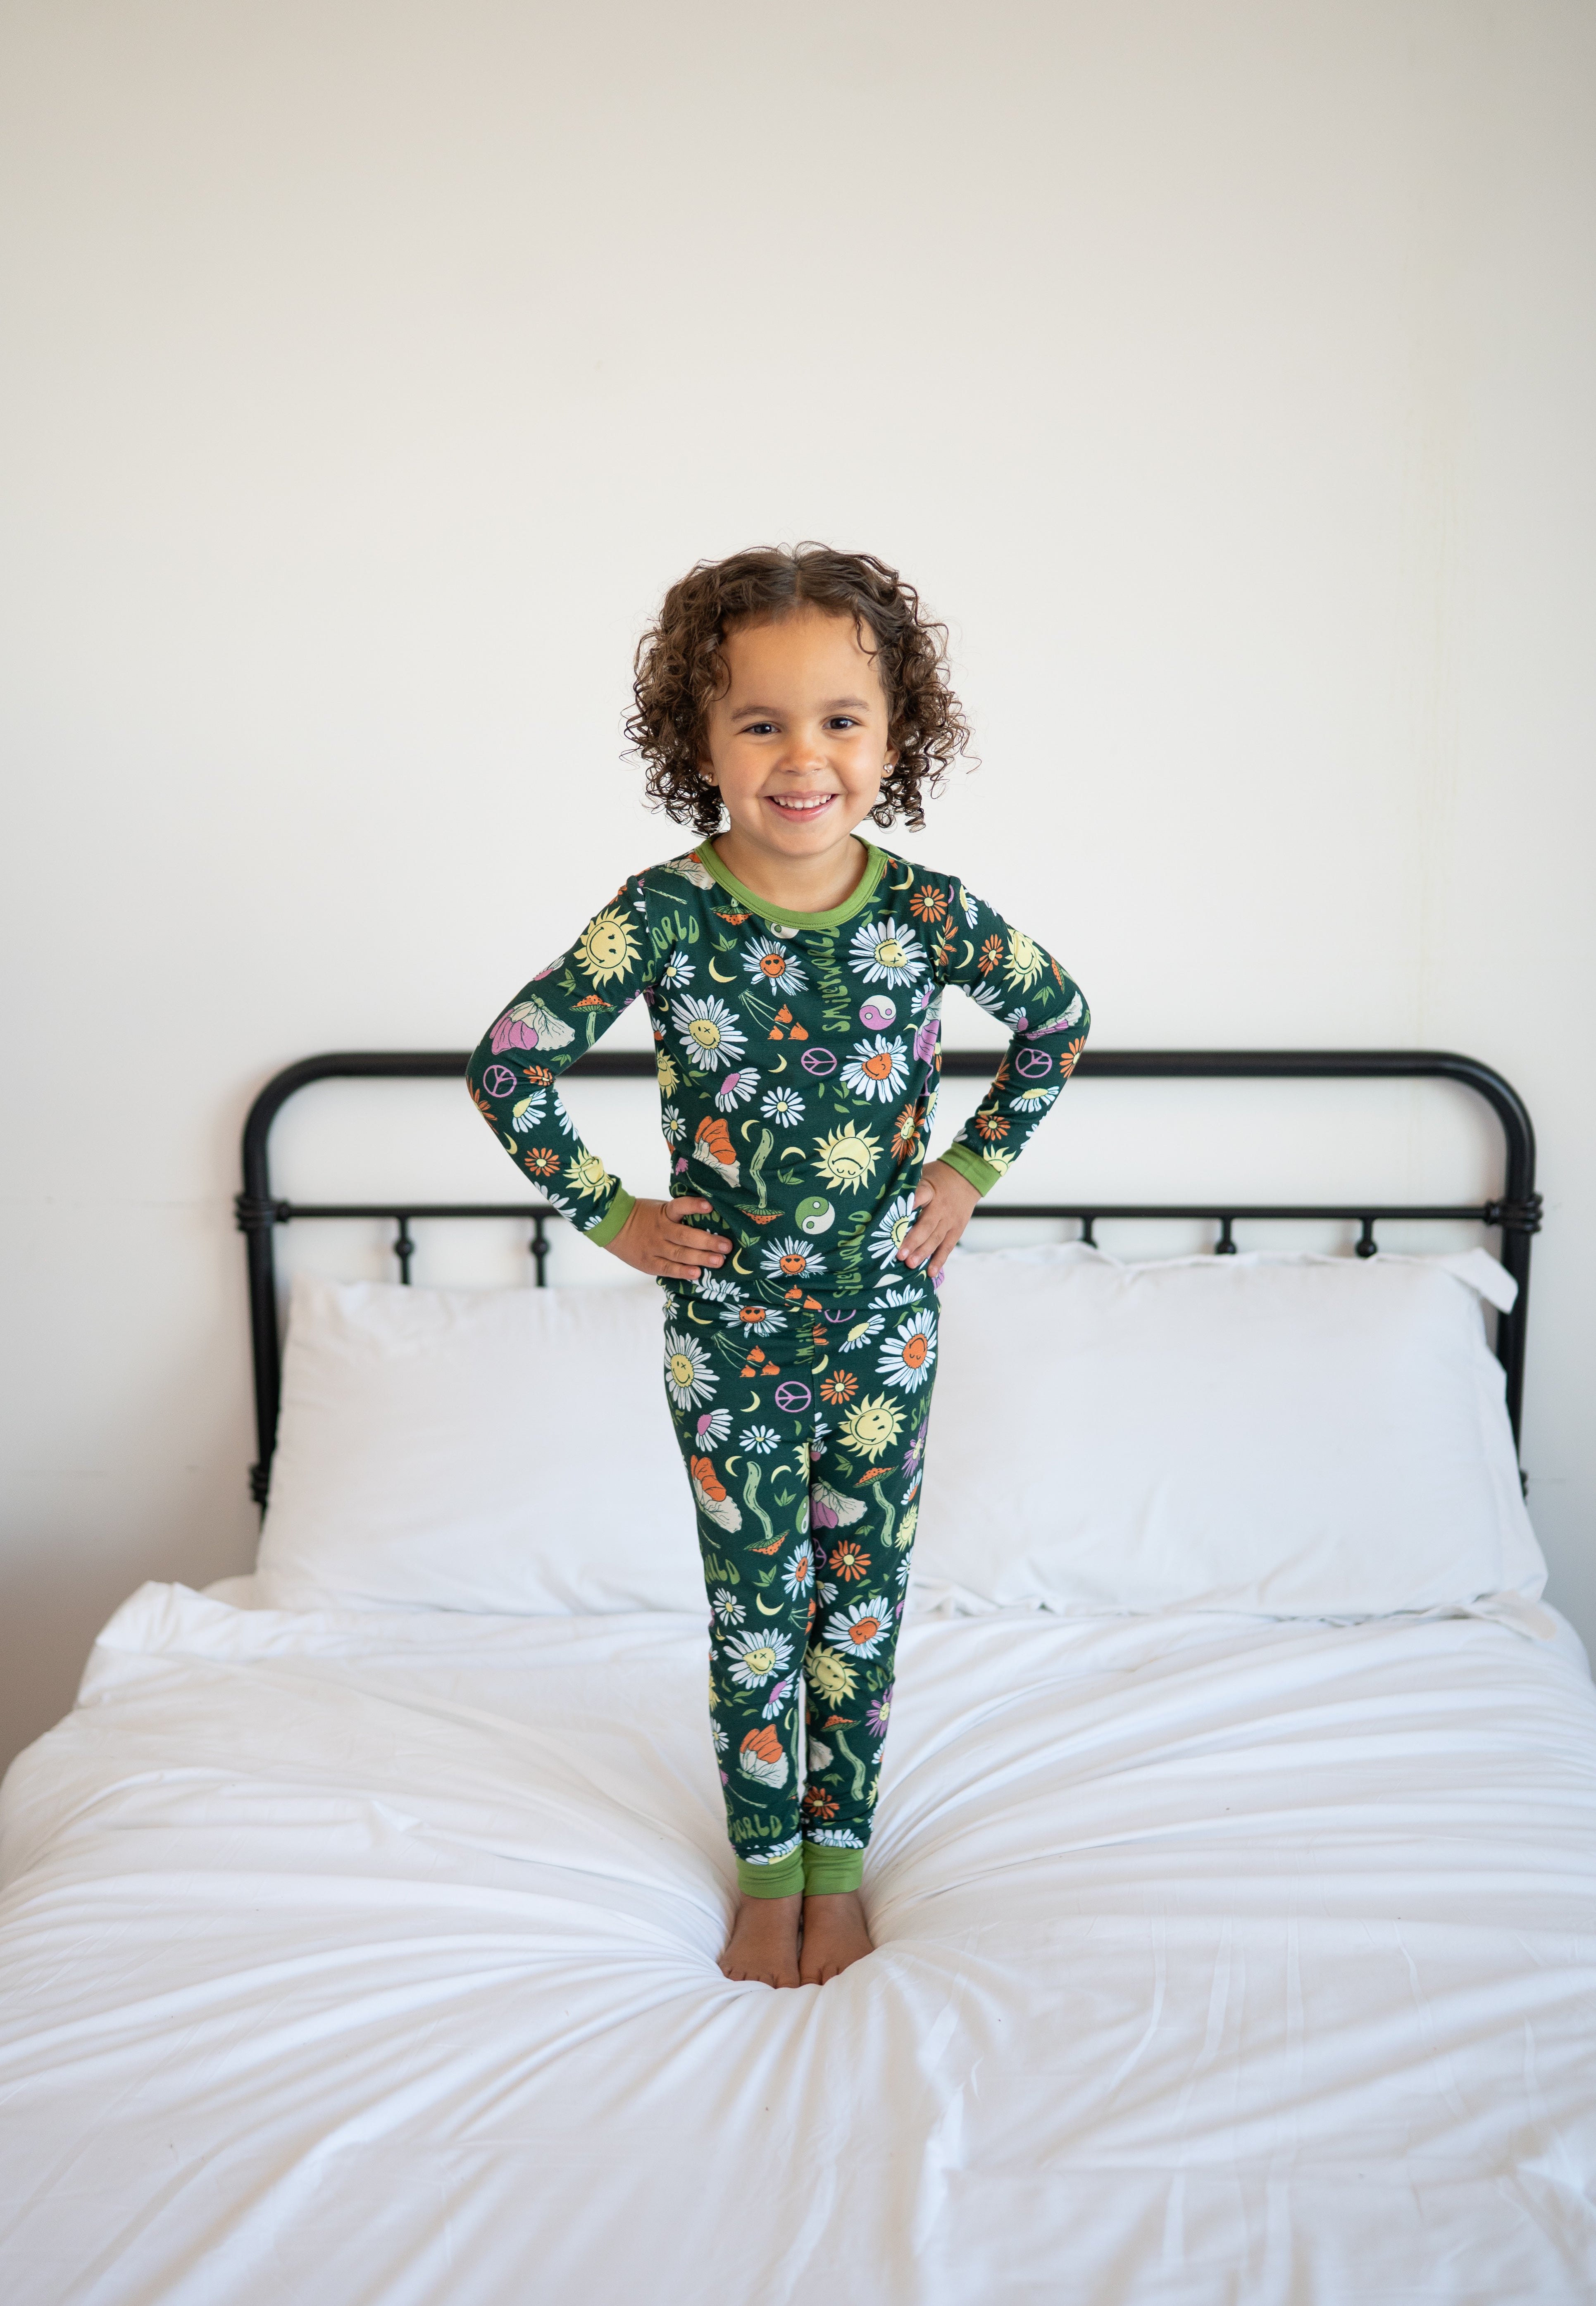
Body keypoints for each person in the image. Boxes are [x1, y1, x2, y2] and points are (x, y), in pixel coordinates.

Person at [467, 545, 1089, 1989]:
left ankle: (839, 1864)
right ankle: (764, 1873)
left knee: (858, 1598)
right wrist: (614, 1213)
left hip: (882, 1329)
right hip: (730, 1330)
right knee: (756, 1598)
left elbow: (1055, 1020)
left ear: (895, 737)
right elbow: (513, 1062)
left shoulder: (927, 912)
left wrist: (967, 1168)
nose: (803, 756)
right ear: (702, 743)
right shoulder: (667, 913)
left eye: (839, 721)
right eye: (761, 722)